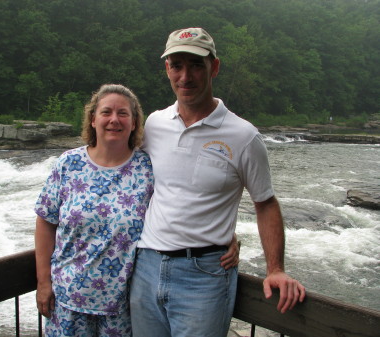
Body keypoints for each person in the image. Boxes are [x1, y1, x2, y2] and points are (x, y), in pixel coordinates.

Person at [129, 27, 306, 337]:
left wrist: (275, 269)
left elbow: (265, 203)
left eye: (196, 64)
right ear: (167, 69)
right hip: (145, 267)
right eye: (177, 65)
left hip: (205, 276)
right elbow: (128, 180)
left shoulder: (243, 136)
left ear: (215, 67)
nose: (186, 76)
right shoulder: (154, 124)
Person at [34, 84, 154, 337]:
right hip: (67, 299)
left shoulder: (147, 169)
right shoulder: (68, 164)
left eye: (123, 113)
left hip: (123, 307)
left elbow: (181, 204)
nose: (114, 120)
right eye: (106, 112)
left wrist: (225, 237)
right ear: (93, 119)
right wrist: (43, 282)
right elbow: (46, 220)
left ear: (134, 123)